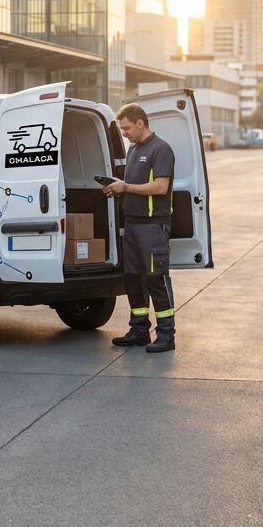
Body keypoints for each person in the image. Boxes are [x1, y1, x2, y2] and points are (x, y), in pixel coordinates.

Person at [103, 104, 177, 353]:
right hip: (133, 224)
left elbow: (160, 187)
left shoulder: (161, 149)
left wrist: (126, 188)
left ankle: (166, 335)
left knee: (156, 279)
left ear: (140, 123)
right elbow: (132, 185)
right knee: (133, 279)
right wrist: (117, 188)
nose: (124, 133)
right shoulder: (134, 150)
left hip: (153, 226)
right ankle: (139, 331)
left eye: (126, 128)